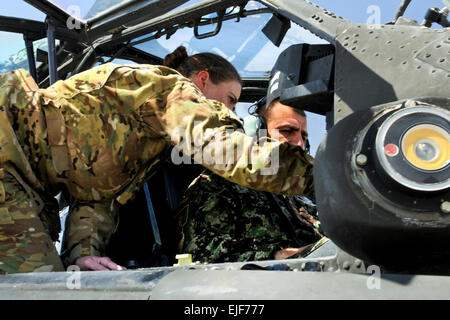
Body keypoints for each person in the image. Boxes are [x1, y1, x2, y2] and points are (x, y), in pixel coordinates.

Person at [0, 46, 314, 273]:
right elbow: (230, 153)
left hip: (21, 178)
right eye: (230, 99)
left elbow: (96, 198)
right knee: (39, 285)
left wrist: (83, 253)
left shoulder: (146, 145)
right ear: (202, 80)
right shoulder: (169, 89)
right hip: (7, 143)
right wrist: (325, 178)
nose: (230, 111)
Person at [176, 99, 325, 263]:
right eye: (288, 131)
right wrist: (277, 256)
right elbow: (200, 258)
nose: (300, 144)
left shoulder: (298, 196)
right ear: (257, 133)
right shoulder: (216, 185)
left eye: (304, 136)